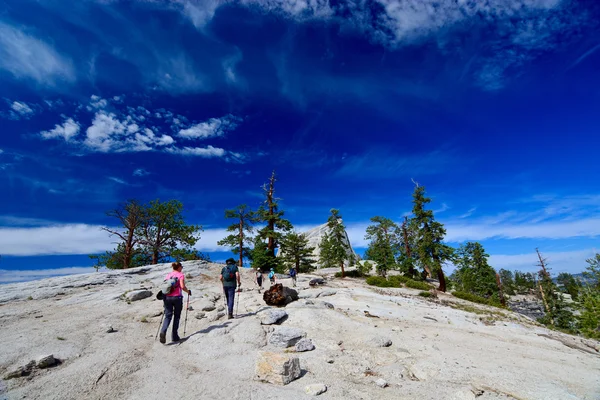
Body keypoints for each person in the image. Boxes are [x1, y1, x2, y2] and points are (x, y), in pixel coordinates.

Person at [160, 262, 191, 344]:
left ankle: (163, 331)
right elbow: (182, 286)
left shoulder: (168, 275)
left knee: (168, 316)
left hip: (167, 297)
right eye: (182, 267)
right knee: (177, 316)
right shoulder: (180, 275)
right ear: (179, 267)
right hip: (177, 297)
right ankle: (174, 336)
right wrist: (188, 291)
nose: (182, 268)